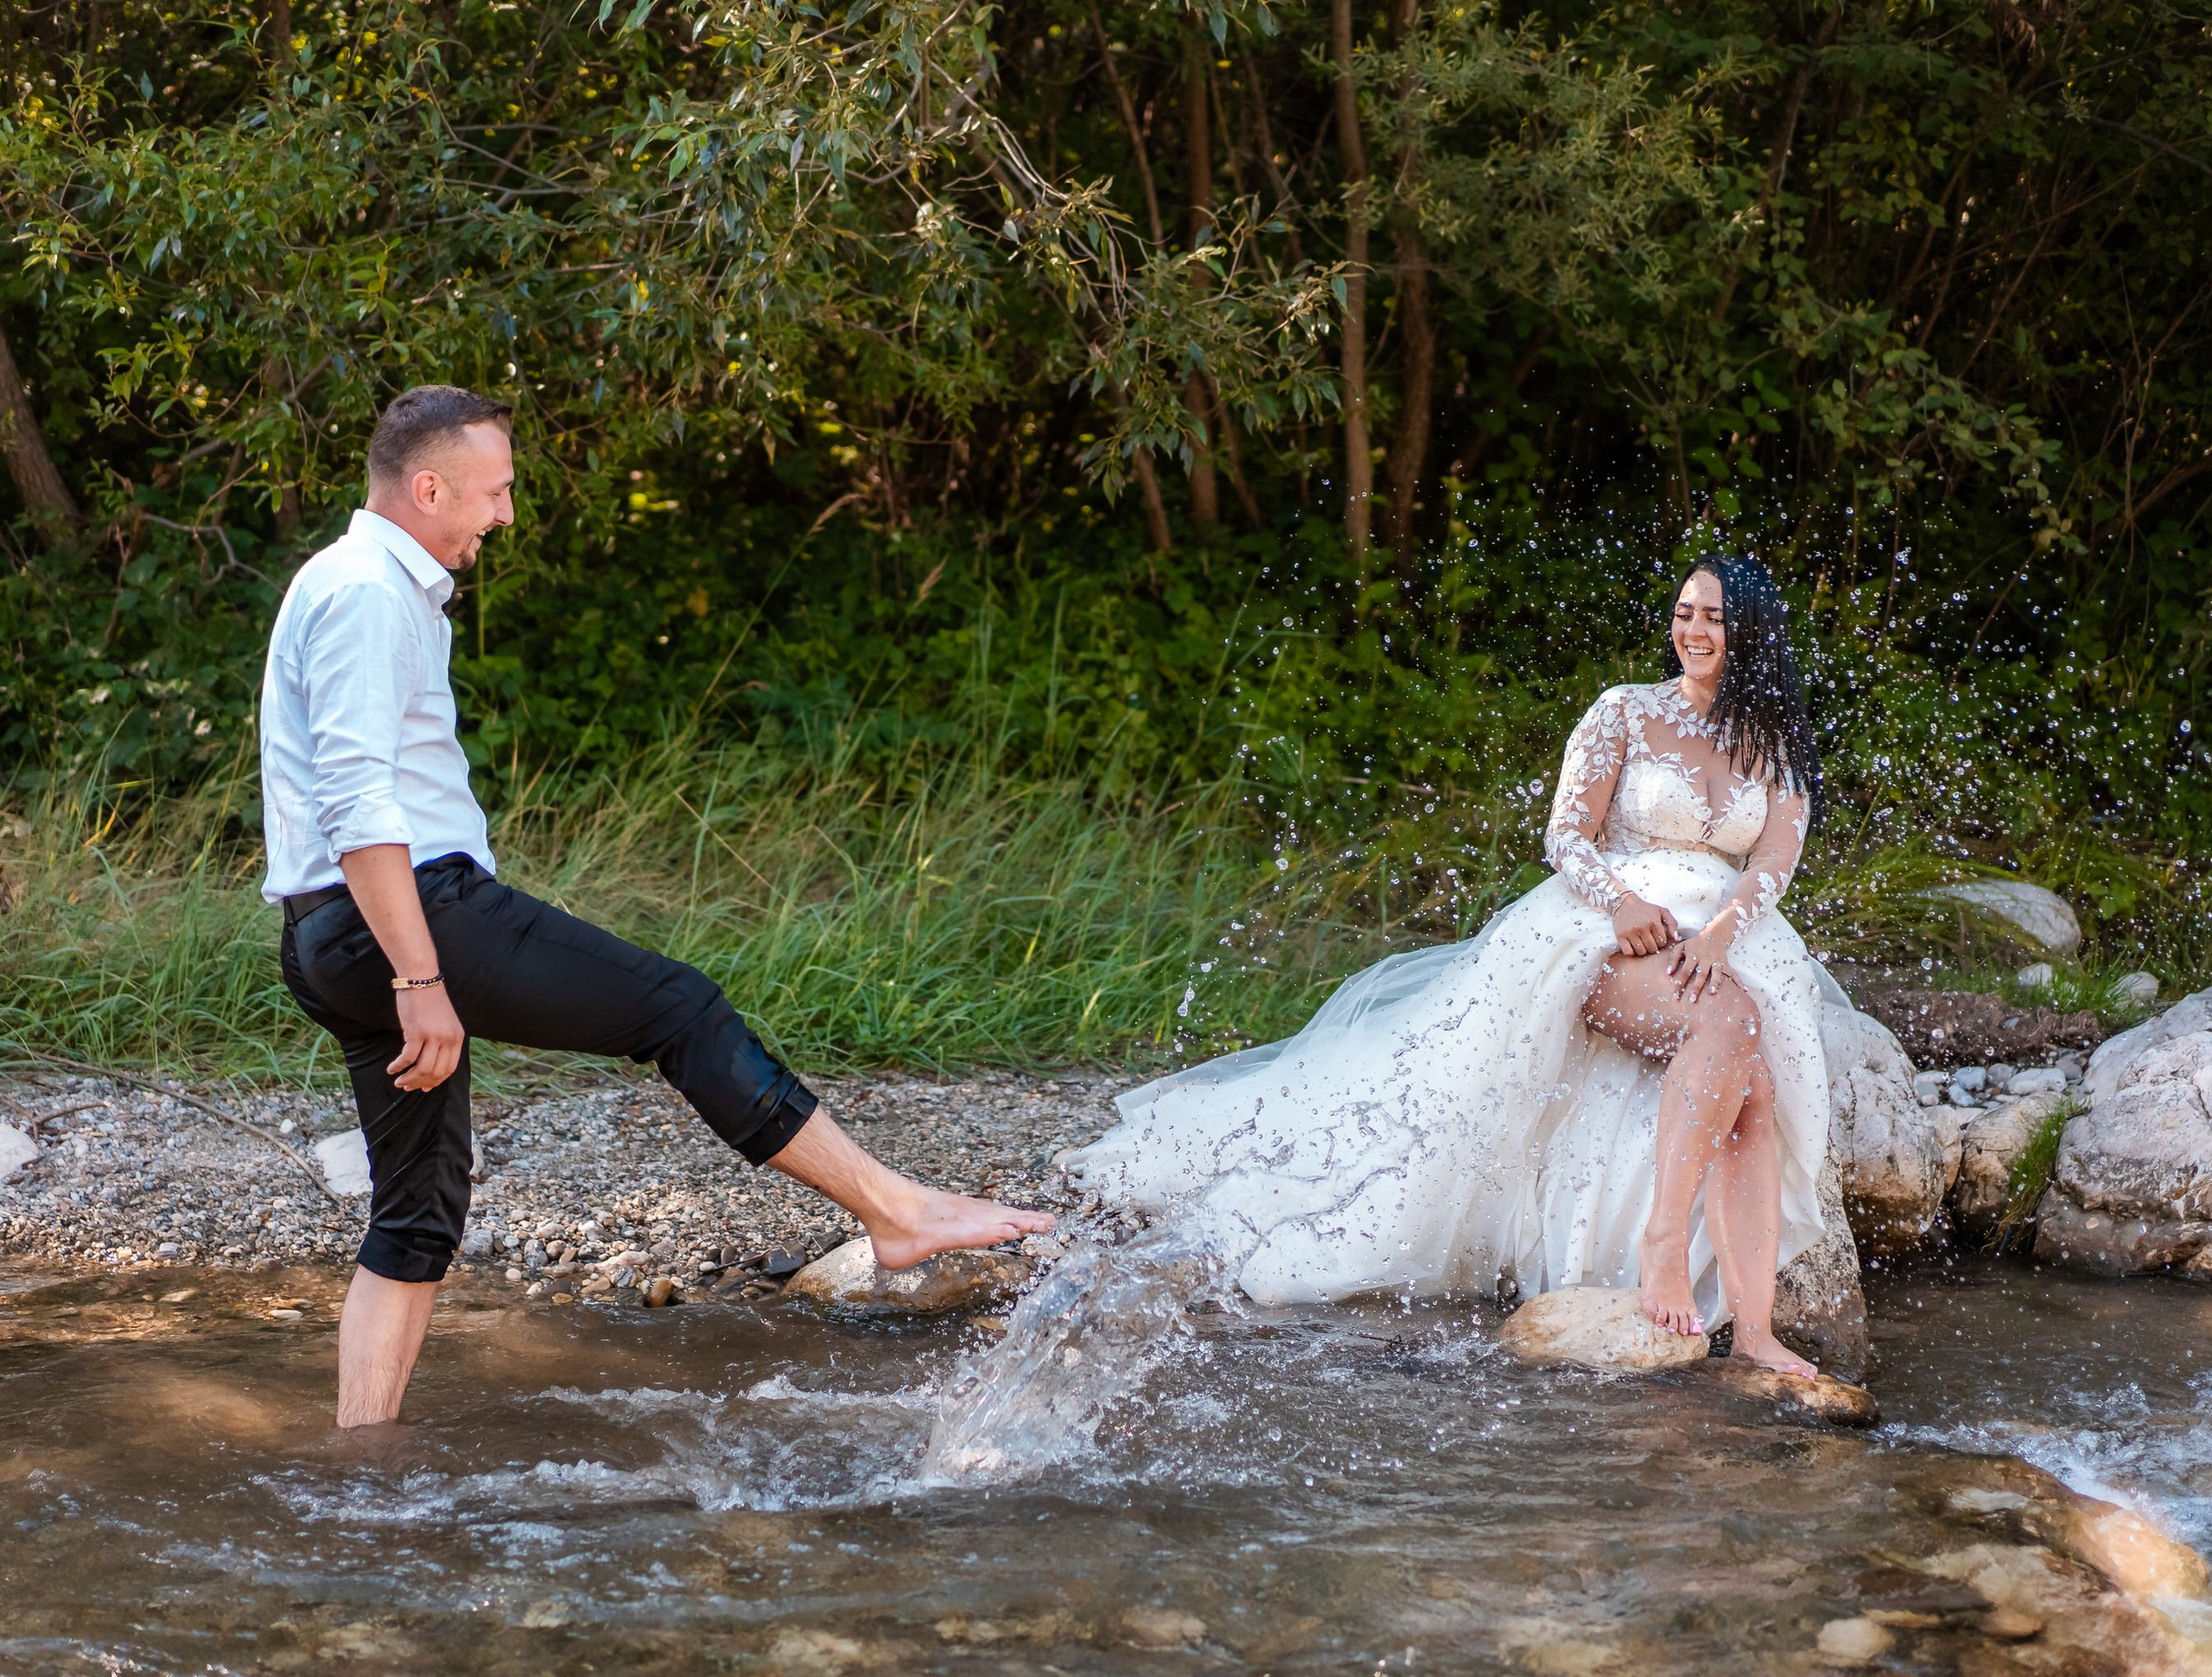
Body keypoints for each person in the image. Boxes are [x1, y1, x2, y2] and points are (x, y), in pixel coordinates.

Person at [261, 384, 1054, 1426]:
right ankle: (896, 1212)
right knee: (676, 1010)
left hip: (330, 933)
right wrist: (419, 978)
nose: (505, 513)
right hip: (402, 915)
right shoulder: (367, 590)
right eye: (495, 491)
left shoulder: (362, 583)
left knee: (417, 1217)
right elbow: (360, 803)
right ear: (428, 486)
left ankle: (361, 1471)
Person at [1065, 556, 1832, 1376]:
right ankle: (1661, 1242)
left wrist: (1716, 936)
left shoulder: (1776, 741)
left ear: (1749, 629)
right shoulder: (1625, 712)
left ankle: (1754, 1330)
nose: (1691, 631)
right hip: (1611, 937)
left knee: (1752, 1078)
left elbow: (1774, 863)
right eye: (1683, 612)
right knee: (1729, 1021)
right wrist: (1619, 903)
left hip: (1723, 933)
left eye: (1711, 617)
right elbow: (1566, 835)